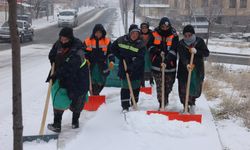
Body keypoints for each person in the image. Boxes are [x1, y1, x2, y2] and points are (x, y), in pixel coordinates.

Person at [47, 27, 89, 133]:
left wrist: (58, 73)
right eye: (61, 38)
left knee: (77, 101)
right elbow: (52, 53)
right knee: (58, 98)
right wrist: (52, 58)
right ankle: (57, 124)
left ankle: (75, 121)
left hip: (78, 78)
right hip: (62, 76)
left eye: (65, 39)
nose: (63, 41)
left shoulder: (78, 48)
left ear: (70, 38)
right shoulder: (58, 44)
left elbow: (71, 66)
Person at [111, 24, 146, 112]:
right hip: (124, 67)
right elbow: (112, 48)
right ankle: (125, 106)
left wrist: (131, 67)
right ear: (129, 33)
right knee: (125, 87)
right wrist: (120, 56)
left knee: (135, 87)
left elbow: (140, 59)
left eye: (136, 33)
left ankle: (134, 102)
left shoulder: (141, 44)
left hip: (136, 68)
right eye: (133, 33)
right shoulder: (122, 40)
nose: (134, 35)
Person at [177, 24, 209, 113]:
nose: (187, 37)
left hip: (197, 69)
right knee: (183, 89)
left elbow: (206, 53)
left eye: (189, 35)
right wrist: (187, 64)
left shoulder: (199, 42)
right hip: (184, 69)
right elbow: (182, 56)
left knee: (193, 88)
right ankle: (185, 106)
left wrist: (197, 51)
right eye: (185, 35)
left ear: (193, 34)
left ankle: (192, 103)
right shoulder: (181, 44)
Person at [150, 17, 179, 110]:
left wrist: (167, 60)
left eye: (167, 26)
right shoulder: (154, 34)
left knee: (168, 87)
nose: (165, 28)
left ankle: (165, 99)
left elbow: (174, 50)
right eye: (163, 26)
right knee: (160, 87)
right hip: (157, 65)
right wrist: (158, 52)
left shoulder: (174, 35)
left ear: (169, 26)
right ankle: (161, 103)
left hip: (170, 66)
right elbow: (150, 47)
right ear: (160, 26)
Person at [82, 24, 115, 95]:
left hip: (102, 65)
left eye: (100, 32)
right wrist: (86, 59)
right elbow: (83, 52)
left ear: (103, 33)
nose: (98, 34)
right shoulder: (88, 41)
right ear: (94, 32)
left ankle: (96, 93)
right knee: (92, 82)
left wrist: (112, 61)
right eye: (96, 32)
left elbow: (110, 53)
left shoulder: (107, 41)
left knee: (102, 81)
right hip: (91, 65)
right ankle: (94, 95)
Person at [140, 22, 154, 86]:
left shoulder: (152, 34)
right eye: (142, 28)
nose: (144, 29)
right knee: (141, 67)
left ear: (148, 28)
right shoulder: (138, 35)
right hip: (141, 53)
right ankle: (142, 83)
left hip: (150, 52)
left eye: (145, 28)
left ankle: (151, 80)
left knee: (150, 66)